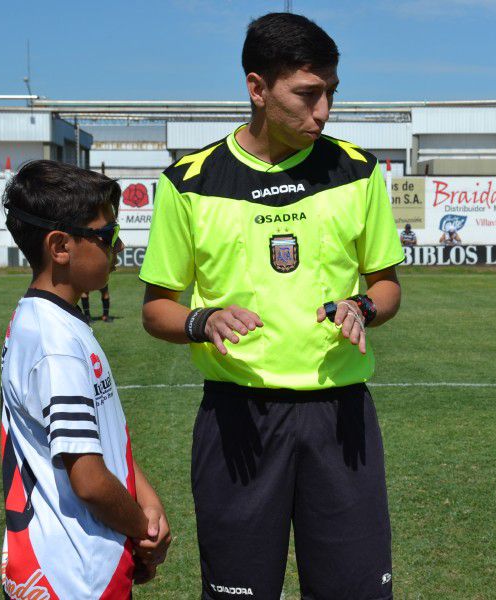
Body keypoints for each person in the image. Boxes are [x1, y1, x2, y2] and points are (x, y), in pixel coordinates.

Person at [139, 13, 403, 600]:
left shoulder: (357, 171)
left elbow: (387, 286)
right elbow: (157, 308)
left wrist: (364, 306)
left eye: (331, 93)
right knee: (238, 592)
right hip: (237, 418)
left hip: (341, 418)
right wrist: (201, 321)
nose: (324, 111)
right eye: (308, 94)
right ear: (257, 88)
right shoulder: (189, 182)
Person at [0, 160, 171, 599]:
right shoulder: (55, 343)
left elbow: (99, 440)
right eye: (106, 235)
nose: (118, 247)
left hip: (78, 564)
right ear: (60, 246)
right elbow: (90, 481)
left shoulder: (52, 319)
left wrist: (145, 498)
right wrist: (144, 532)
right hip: (76, 575)